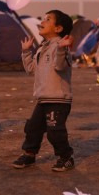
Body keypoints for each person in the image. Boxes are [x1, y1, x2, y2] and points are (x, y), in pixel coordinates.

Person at [12, 10, 75, 172]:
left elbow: (60, 66)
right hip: (43, 98)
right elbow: (31, 69)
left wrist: (61, 49)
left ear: (58, 28)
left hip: (58, 99)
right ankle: (29, 154)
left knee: (55, 132)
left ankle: (66, 157)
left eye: (48, 19)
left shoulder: (62, 46)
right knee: (33, 128)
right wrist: (26, 52)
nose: (42, 21)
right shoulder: (41, 48)